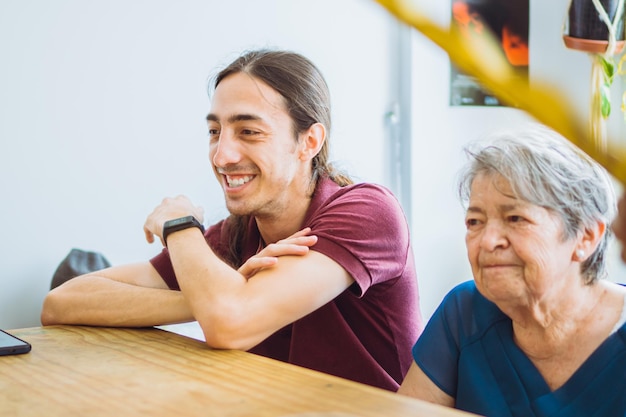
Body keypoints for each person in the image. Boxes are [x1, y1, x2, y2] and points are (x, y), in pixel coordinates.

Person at [40, 49, 423, 392]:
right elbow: (61, 303)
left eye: (249, 132)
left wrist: (180, 225)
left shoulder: (369, 212)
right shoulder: (237, 234)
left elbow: (230, 322)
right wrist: (209, 297)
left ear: (309, 141)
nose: (221, 155)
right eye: (214, 131)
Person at [397, 125, 626, 416]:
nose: (488, 241)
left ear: (586, 236)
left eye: (515, 218)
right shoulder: (464, 313)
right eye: (475, 222)